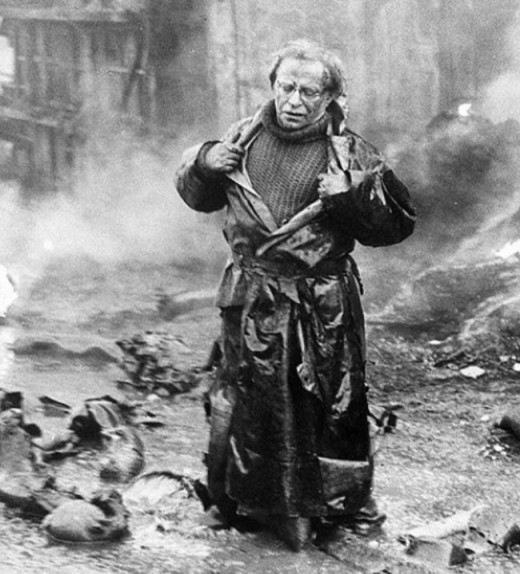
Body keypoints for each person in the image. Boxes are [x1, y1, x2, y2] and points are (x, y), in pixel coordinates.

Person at [174, 39, 415, 551]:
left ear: (331, 98)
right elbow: (199, 196)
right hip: (251, 296)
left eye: (309, 92)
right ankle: (240, 500)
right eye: (287, 87)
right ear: (273, 86)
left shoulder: (353, 153)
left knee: (326, 406)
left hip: (320, 304)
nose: (295, 100)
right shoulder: (240, 138)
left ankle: (337, 506)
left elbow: (396, 225)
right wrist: (203, 163)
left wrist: (352, 195)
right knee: (244, 402)